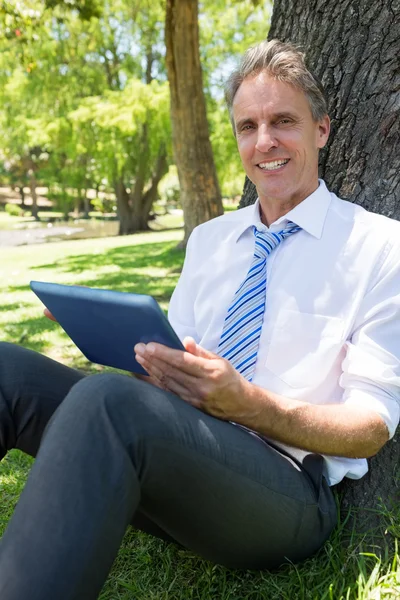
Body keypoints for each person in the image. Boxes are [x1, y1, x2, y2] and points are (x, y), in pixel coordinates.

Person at [0, 39, 399, 600]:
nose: (265, 142)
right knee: (5, 370)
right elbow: (162, 384)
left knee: (106, 402)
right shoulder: (210, 241)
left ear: (322, 129)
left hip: (288, 492)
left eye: (284, 121)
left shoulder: (380, 246)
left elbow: (373, 428)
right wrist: (116, 341)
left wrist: (249, 405)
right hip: (184, 456)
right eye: (247, 126)